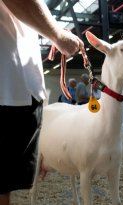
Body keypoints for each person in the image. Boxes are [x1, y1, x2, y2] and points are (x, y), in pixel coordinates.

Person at [0, 0, 83, 204]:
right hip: (8, 85)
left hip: (14, 86)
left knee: (5, 186)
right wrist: (57, 34)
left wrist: (48, 29)